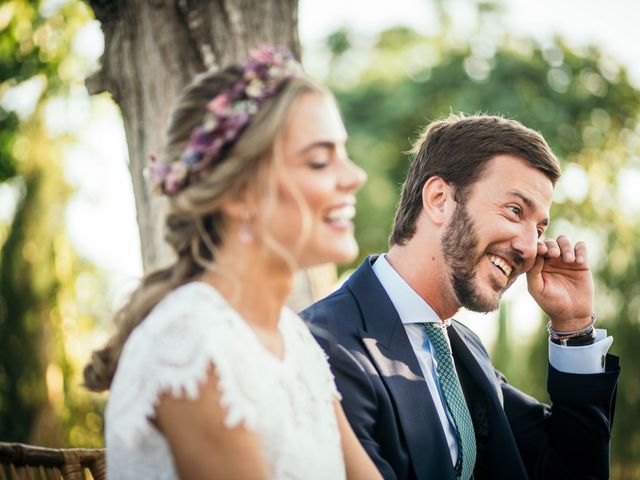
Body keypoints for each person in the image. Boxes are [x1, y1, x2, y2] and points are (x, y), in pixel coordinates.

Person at [83, 47, 382, 480]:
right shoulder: (193, 344)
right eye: (320, 160)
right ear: (240, 194)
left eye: (343, 152)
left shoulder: (292, 337)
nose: (355, 176)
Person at [301, 114, 620, 480]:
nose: (530, 247)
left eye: (539, 228)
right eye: (515, 210)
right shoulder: (325, 347)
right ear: (439, 200)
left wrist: (574, 328)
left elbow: (569, 472)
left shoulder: (464, 350)